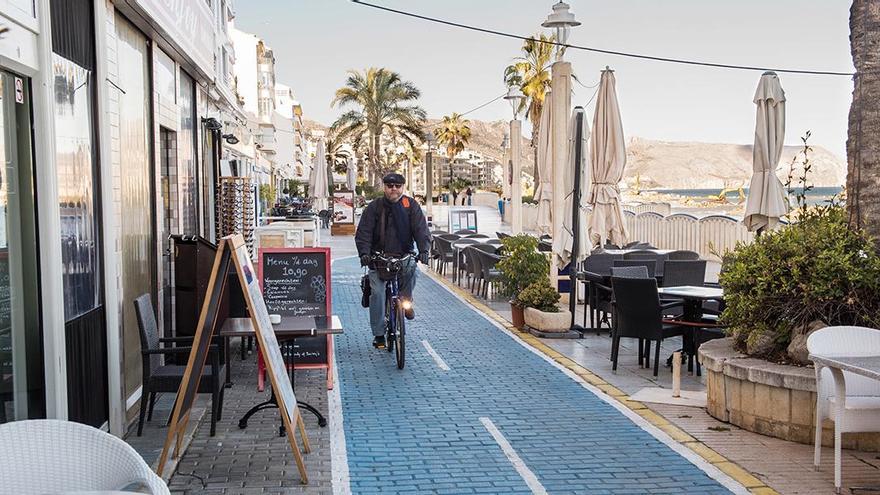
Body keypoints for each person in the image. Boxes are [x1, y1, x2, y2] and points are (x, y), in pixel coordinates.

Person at [355, 173, 432, 348]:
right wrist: (364, 253)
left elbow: (421, 229)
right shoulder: (374, 207)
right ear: (384, 187)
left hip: (403, 255)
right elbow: (364, 232)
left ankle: (406, 302)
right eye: (390, 186)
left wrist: (424, 250)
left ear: (402, 187)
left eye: (397, 186)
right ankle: (379, 334)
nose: (394, 189)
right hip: (378, 257)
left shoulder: (410, 205)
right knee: (378, 293)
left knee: (413, 271)